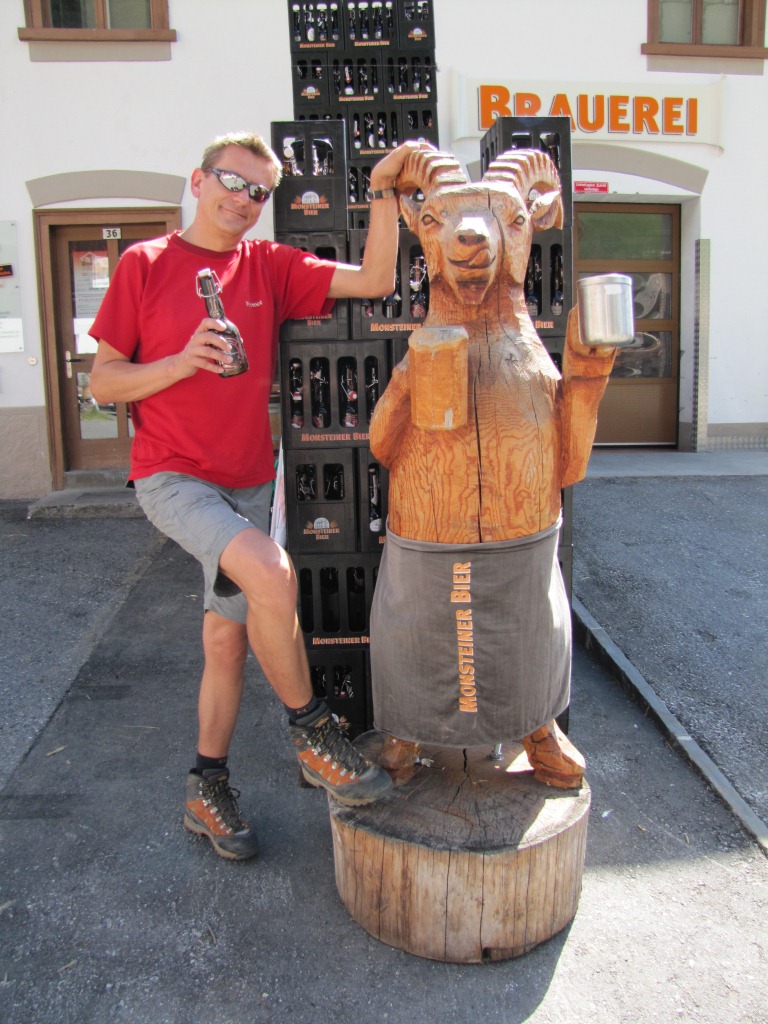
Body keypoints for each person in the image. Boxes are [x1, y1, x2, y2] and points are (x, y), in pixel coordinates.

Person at [89, 130, 429, 862]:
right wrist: (180, 363)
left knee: (225, 640)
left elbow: (375, 279)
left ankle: (205, 788)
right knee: (274, 574)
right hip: (173, 476)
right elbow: (103, 381)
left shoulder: (267, 264)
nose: (243, 200)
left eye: (259, 192)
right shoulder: (144, 263)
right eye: (231, 181)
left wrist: (381, 190)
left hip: (250, 481)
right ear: (199, 180)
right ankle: (312, 733)